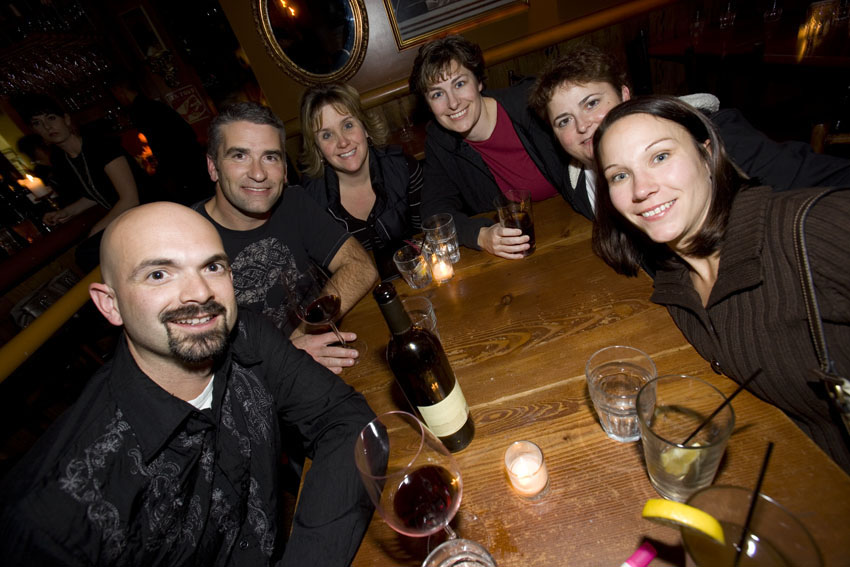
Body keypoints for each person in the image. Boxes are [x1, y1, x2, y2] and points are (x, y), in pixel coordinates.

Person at [0, 202, 375, 566]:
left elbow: (347, 420)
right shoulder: (54, 512)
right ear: (110, 305)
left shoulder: (248, 335)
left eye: (212, 266)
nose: (198, 293)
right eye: (159, 274)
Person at [591, 95, 850, 472]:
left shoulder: (812, 231)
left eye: (660, 156)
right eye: (619, 175)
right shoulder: (675, 283)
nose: (640, 189)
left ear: (707, 153)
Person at [528, 44, 850, 218]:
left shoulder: (716, 138)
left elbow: (833, 182)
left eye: (592, 103)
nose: (583, 125)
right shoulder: (580, 188)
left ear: (625, 96)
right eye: (564, 121)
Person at [196, 102, 378, 373]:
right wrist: (288, 356)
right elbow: (200, 361)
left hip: (327, 354)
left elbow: (361, 267)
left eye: (270, 157)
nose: (258, 174)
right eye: (240, 156)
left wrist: (307, 335)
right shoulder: (186, 239)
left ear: (284, 169)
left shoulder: (292, 202)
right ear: (213, 167)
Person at [409, 35, 574, 260]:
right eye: (438, 94)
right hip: (524, 255)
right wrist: (481, 235)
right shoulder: (441, 141)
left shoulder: (529, 105)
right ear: (429, 105)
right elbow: (434, 213)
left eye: (459, 83)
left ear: (478, 82)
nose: (453, 102)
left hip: (576, 225)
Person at [299, 83, 422, 279]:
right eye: (327, 135)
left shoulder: (403, 169)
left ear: (365, 128)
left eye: (348, 125)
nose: (342, 142)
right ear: (317, 148)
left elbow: (424, 236)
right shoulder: (311, 203)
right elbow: (325, 277)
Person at [19, 95, 142, 270]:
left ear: (66, 119)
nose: (47, 126)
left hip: (149, 211)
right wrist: (65, 212)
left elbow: (131, 199)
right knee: (87, 256)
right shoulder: (62, 159)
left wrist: (97, 229)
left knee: (89, 253)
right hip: (128, 221)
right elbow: (95, 194)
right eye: (37, 123)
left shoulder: (100, 145)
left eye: (51, 118)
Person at [110, 78, 213, 206]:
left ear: (119, 91)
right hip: (192, 160)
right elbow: (186, 131)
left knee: (199, 204)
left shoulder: (140, 111)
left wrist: (161, 170)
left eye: (115, 94)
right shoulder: (152, 105)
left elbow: (160, 144)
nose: (117, 99)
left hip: (183, 166)